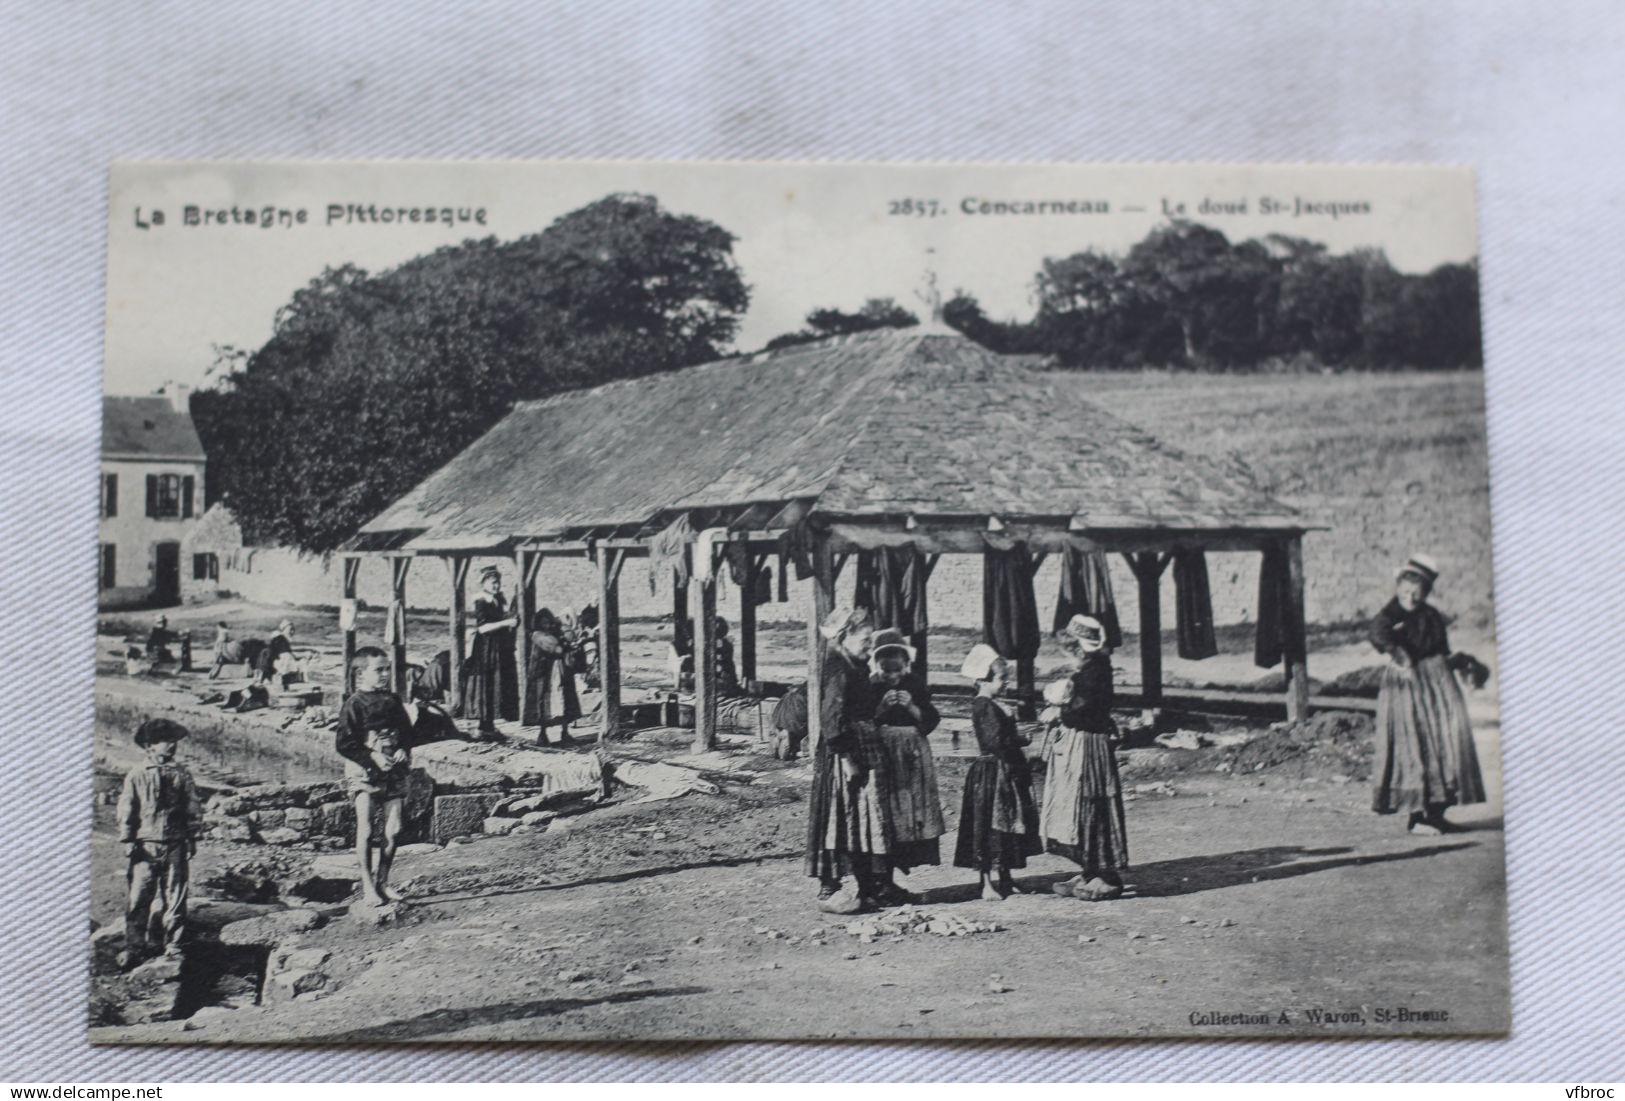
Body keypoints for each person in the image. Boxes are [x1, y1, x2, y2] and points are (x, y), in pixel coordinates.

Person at [1368, 554, 1488, 834]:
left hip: (1438, 684)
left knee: (1447, 744)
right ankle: (1417, 817)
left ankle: (1435, 813)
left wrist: (1462, 664)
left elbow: (1441, 651)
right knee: (1415, 745)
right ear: (1398, 588)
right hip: (1408, 685)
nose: (1411, 597)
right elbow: (1378, 633)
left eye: (1417, 593)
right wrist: (1399, 654)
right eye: (1406, 591)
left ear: (1426, 592)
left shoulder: (1431, 616)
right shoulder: (1389, 616)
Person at [804, 606, 895, 913]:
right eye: (866, 639)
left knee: (863, 821)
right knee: (838, 819)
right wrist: (845, 758)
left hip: (863, 748)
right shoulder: (837, 668)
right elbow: (831, 718)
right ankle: (829, 890)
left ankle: (871, 889)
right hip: (843, 755)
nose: (871, 645)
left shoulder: (854, 665)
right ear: (844, 637)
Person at [1039, 614, 1130, 901]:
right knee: (1079, 808)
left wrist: (1060, 712)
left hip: (1090, 749)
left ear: (1078, 648)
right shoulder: (1093, 670)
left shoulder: (1095, 673)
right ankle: (1089, 871)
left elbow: (1087, 710)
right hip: (1083, 744)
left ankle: (1108, 877)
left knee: (1093, 806)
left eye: (1069, 651)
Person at [954, 644, 1042, 899]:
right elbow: (995, 741)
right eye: (1002, 679)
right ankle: (986, 883)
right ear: (983, 679)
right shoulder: (983, 706)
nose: (1006, 684)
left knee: (1009, 825)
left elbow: (1004, 737)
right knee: (987, 827)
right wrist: (1016, 738)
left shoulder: (994, 704)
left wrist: (1018, 736)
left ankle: (1006, 876)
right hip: (993, 772)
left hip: (1006, 769)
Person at [115, 718, 203, 969]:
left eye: (174, 741)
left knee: (175, 895)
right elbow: (127, 807)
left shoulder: (182, 774)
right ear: (150, 746)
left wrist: (193, 836)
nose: (172, 746)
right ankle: (134, 947)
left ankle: (173, 944)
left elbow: (192, 806)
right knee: (139, 896)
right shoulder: (137, 775)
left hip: (175, 843)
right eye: (166, 741)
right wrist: (128, 838)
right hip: (145, 844)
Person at [336, 647, 417, 907]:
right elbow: (344, 744)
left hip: (394, 771)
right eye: (378, 670)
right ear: (361, 673)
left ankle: (383, 881)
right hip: (364, 773)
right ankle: (367, 887)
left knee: (393, 830)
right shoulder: (354, 704)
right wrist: (373, 756)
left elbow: (407, 731)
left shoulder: (393, 700)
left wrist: (404, 747)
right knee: (367, 830)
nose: (384, 674)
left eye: (387, 669)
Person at [868, 627, 943, 897]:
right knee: (886, 814)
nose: (893, 677)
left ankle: (896, 875)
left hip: (912, 756)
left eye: (897, 670)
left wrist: (912, 706)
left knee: (909, 815)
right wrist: (881, 710)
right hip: (884, 754)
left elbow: (931, 721)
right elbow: (867, 722)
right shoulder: (871, 686)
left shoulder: (915, 685)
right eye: (886, 671)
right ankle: (883, 879)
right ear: (877, 667)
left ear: (906, 665)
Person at [462, 565, 519, 740]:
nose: (496, 586)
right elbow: (483, 627)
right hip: (486, 647)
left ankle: (489, 726)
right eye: (493, 582)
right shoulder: (481, 601)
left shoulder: (497, 599)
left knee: (495, 683)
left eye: (498, 582)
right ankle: (481, 726)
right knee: (484, 682)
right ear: (484, 583)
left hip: (497, 646)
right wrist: (506, 623)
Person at [524, 606, 581, 745]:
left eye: (549, 622)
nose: (547, 625)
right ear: (538, 624)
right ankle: (542, 734)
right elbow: (555, 647)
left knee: (564, 700)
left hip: (559, 671)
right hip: (544, 675)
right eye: (544, 623)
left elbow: (569, 637)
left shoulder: (555, 632)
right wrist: (565, 644)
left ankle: (565, 732)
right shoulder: (538, 635)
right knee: (544, 704)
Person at [253, 619, 302, 688]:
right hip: (270, 664)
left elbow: (287, 652)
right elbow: (285, 655)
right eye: (290, 629)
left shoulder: (281, 639)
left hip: (269, 663)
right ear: (284, 630)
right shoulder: (280, 639)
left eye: (293, 630)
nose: (292, 632)